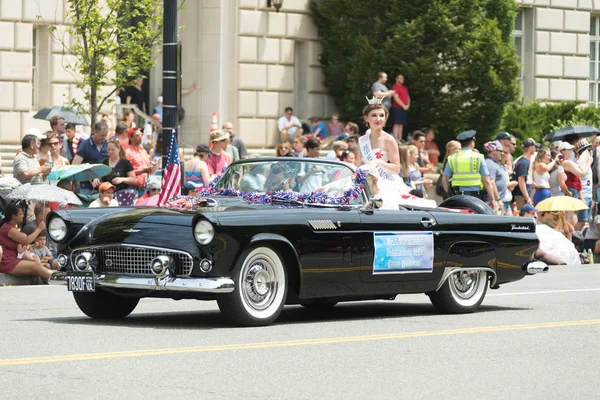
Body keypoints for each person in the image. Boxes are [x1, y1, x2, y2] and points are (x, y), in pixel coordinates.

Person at [356, 98, 412, 208]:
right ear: (366, 118)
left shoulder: (389, 140)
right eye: (374, 115)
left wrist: (377, 162)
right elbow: (359, 166)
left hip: (386, 183)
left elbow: (396, 168)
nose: (378, 119)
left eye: (382, 115)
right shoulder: (362, 140)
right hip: (367, 182)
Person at [441, 130, 497, 210]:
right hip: (476, 197)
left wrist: (449, 194)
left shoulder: (452, 158)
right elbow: (487, 180)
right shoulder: (478, 157)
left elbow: (444, 180)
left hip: (457, 196)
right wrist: (492, 198)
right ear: (472, 142)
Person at [0, 204, 55, 280]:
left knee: (41, 265)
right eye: (20, 214)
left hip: (15, 258)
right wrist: (39, 228)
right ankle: (54, 277)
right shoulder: (8, 228)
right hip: (7, 262)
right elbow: (26, 240)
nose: (23, 216)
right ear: (13, 216)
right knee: (35, 266)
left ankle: (53, 275)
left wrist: (29, 246)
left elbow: (24, 243)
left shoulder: (13, 227)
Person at [72, 121, 109, 194]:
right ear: (95, 131)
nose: (103, 138)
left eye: (105, 135)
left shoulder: (107, 144)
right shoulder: (84, 145)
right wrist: (90, 177)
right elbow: (75, 165)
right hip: (86, 186)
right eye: (102, 135)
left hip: (105, 185)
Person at [102, 139, 137, 206]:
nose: (110, 152)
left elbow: (133, 179)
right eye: (109, 150)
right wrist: (96, 179)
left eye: (113, 149)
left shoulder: (125, 163)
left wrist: (122, 179)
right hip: (107, 195)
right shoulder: (104, 162)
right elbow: (99, 177)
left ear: (119, 149)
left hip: (122, 194)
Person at [125, 127, 155, 196]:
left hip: (144, 187)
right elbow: (126, 172)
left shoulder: (143, 151)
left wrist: (152, 166)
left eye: (141, 134)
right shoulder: (128, 152)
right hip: (132, 188)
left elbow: (147, 167)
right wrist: (143, 170)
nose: (140, 137)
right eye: (137, 135)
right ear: (130, 138)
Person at [483, 140, 508, 213]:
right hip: (493, 203)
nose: (502, 153)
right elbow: (491, 182)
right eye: (500, 151)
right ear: (493, 151)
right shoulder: (490, 164)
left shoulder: (494, 164)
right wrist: (498, 199)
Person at [512, 138, 537, 209]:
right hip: (521, 195)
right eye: (534, 147)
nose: (535, 149)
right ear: (531, 148)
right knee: (524, 216)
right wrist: (527, 197)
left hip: (525, 194)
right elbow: (521, 180)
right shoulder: (523, 162)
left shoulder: (525, 161)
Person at [391, 74, 410, 141]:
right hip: (397, 107)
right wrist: (403, 105)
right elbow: (396, 98)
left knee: (401, 124)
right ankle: (395, 138)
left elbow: (408, 97)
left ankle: (400, 138)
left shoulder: (404, 87)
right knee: (397, 123)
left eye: (403, 78)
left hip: (404, 108)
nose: (402, 79)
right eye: (400, 78)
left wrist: (407, 105)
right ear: (396, 79)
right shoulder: (395, 87)